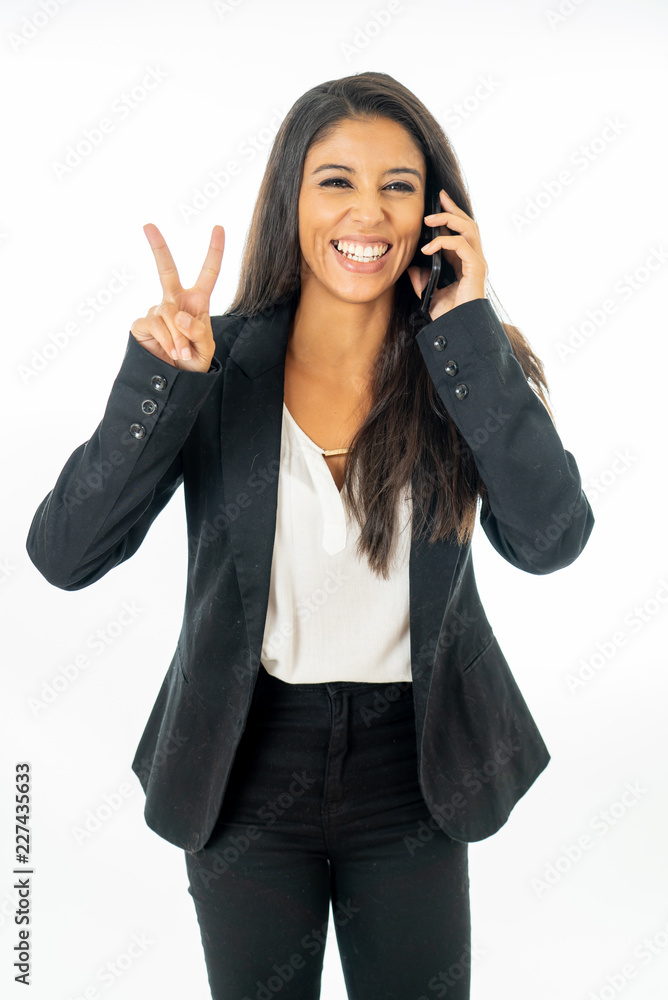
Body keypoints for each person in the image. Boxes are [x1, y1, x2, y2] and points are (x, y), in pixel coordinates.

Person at [26, 71, 595, 999]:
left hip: (414, 766)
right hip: (245, 759)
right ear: (291, 196)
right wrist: (160, 385)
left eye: (397, 186)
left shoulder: (460, 361)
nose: (366, 211)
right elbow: (64, 556)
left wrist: (474, 335)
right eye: (336, 180)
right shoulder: (217, 363)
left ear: (435, 213)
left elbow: (553, 536)